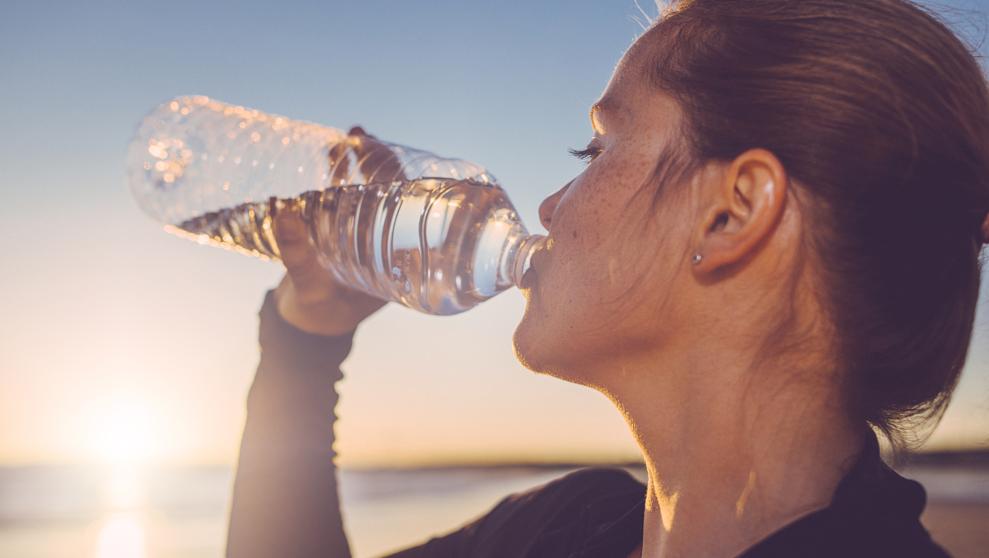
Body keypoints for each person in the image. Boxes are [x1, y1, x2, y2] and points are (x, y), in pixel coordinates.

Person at [225, 1, 989, 556]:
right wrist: (304, 339)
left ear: (730, 214)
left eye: (593, 151)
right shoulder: (565, 529)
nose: (550, 206)